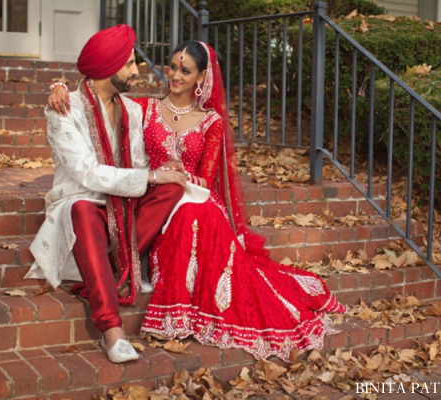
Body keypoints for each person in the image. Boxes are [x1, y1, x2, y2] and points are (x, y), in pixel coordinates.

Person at [48, 40, 347, 362]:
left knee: (195, 210)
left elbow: (207, 176)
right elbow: (100, 97)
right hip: (150, 191)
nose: (175, 75)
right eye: (173, 67)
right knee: (180, 202)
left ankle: (172, 296)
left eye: (185, 70)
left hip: (190, 193)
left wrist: (180, 177)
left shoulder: (211, 121)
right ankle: (125, 275)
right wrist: (59, 86)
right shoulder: (142, 109)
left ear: (202, 76)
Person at [26, 25, 187, 364]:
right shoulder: (64, 109)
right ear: (105, 68)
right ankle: (111, 329)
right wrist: (150, 175)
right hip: (82, 200)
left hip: (122, 207)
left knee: (171, 188)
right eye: (128, 63)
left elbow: (140, 164)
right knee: (82, 209)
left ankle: (109, 265)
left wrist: (160, 174)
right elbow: (86, 173)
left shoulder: (131, 109)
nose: (135, 70)